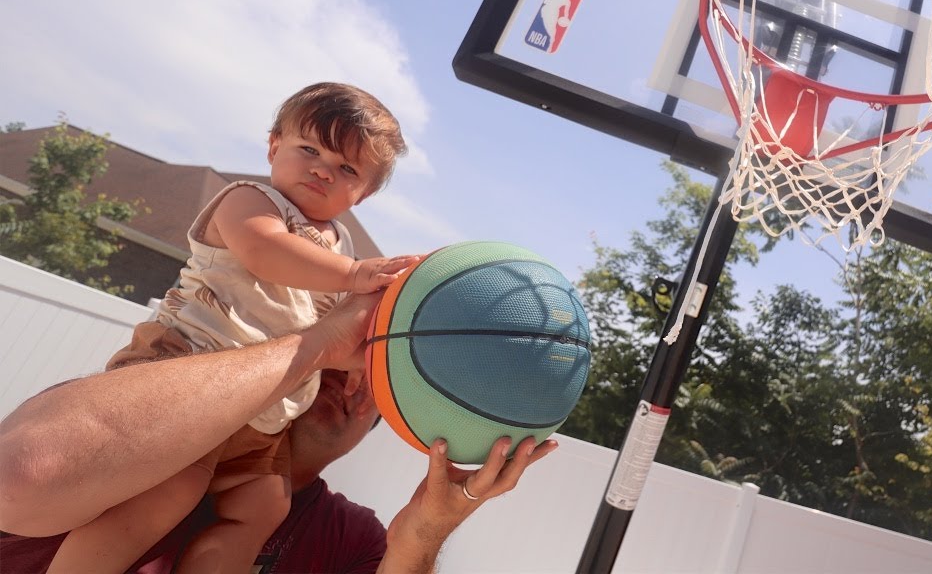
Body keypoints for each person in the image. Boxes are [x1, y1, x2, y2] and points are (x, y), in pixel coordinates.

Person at [48, 82, 422, 573]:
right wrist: (355, 276)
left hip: (258, 414)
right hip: (185, 366)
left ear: (365, 192)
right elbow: (265, 252)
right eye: (309, 149)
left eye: (347, 168)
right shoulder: (251, 201)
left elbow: (337, 325)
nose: (322, 169)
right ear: (273, 146)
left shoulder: (341, 249)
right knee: (169, 489)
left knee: (265, 505)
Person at [0, 292, 557, 572]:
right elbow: (23, 477)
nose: (351, 385)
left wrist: (428, 528)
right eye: (348, 357)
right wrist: (311, 345)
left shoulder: (349, 538)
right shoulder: (132, 435)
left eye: (381, 382)